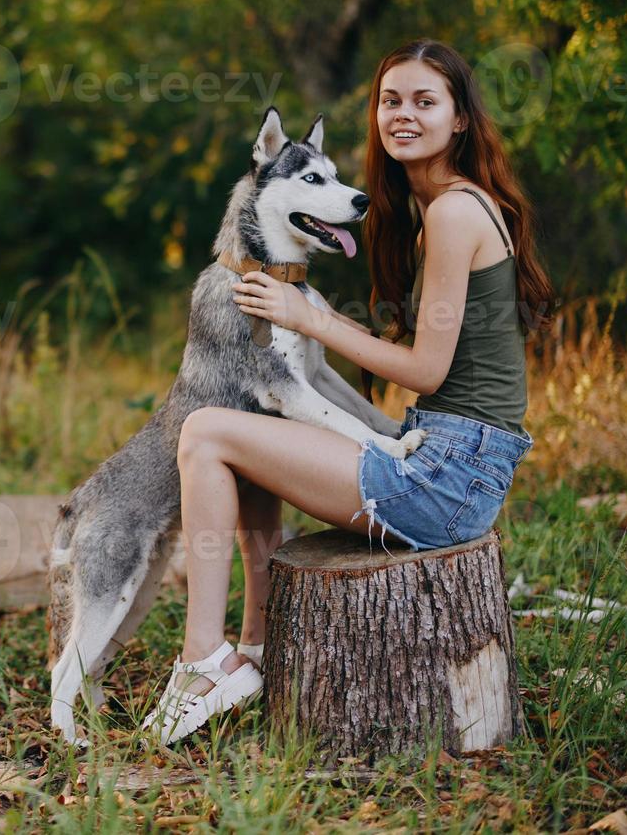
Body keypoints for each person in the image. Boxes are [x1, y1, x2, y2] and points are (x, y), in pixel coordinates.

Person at [142, 39, 556, 745]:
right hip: (458, 462)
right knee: (248, 425)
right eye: (391, 100)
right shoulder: (444, 209)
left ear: (460, 119)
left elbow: (426, 370)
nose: (403, 114)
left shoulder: (455, 214)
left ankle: (203, 663)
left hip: (448, 477)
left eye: (426, 101)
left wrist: (313, 319)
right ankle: (258, 646)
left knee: (205, 432)